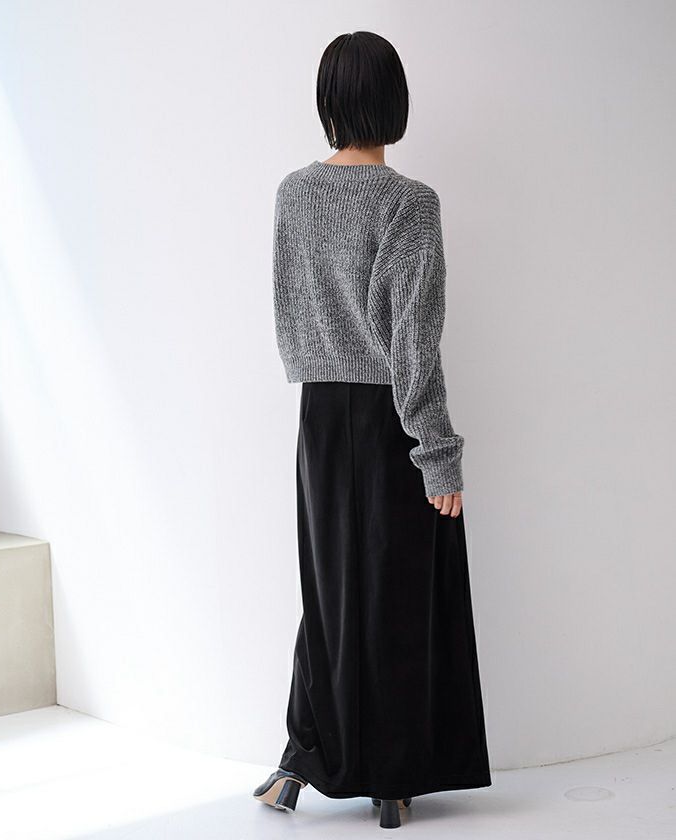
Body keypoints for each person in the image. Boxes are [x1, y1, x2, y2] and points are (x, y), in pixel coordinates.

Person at [253, 30, 492, 830]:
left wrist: (326, 370)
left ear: (328, 101)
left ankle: (299, 761)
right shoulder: (409, 203)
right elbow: (413, 340)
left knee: (328, 593)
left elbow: (289, 314)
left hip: (320, 418)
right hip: (392, 417)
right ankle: (392, 780)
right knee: (398, 594)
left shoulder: (293, 193)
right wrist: (438, 454)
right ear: (395, 103)